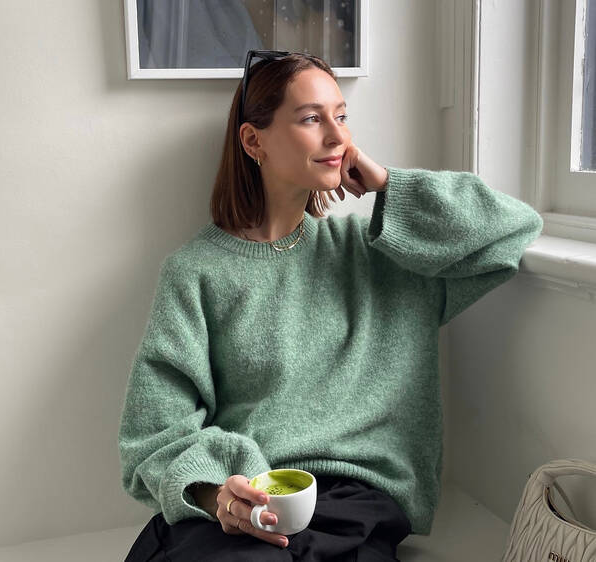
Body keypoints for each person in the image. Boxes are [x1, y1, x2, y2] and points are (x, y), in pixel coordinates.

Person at [117, 51, 543, 561]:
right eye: (312, 118)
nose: (338, 137)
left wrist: (388, 185)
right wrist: (217, 497)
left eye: (341, 115)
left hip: (360, 499)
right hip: (251, 495)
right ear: (254, 141)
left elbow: (513, 228)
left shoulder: (385, 252)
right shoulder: (196, 272)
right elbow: (154, 433)